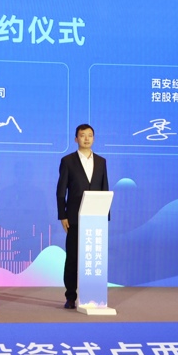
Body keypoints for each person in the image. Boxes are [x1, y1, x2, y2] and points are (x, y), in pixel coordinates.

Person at [56, 123, 109, 309]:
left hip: (96, 218)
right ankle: (70, 296)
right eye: (82, 135)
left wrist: (105, 216)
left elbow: (104, 188)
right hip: (74, 218)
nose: (86, 138)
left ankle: (92, 294)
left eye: (90, 135)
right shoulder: (68, 161)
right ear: (76, 139)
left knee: (94, 257)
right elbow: (61, 191)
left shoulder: (101, 161)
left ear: (93, 138)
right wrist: (62, 215)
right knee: (73, 257)